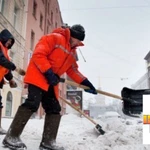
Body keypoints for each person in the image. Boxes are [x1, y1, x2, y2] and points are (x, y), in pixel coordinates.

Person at [3, 24, 97, 150]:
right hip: (38, 76)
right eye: (78, 40)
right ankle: (11, 137)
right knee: (32, 103)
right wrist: (48, 72)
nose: (79, 43)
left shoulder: (72, 51)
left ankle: (48, 142)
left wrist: (85, 82)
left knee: (54, 108)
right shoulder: (54, 38)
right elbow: (38, 55)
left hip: (50, 82)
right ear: (73, 35)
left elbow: (72, 70)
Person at [0, 29, 17, 135]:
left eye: (11, 42)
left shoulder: (5, 51)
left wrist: (10, 79)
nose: (10, 43)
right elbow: (1, 60)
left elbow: (5, 69)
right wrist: (12, 65)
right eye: (9, 40)